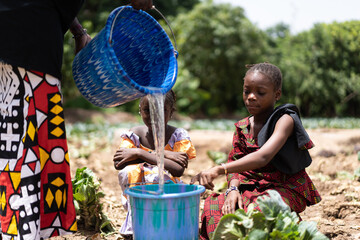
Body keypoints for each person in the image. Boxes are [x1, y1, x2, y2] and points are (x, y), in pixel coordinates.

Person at [0, 0, 152, 239]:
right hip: (27, 48)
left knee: (20, 144)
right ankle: (20, 231)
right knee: (25, 151)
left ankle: (22, 229)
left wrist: (78, 30)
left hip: (21, 40)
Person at [190, 63, 322, 240]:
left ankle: (288, 225)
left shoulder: (284, 120)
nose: (251, 97)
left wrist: (219, 169)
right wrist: (232, 191)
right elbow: (235, 160)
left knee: (262, 209)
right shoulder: (242, 127)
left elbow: (263, 157)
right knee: (215, 206)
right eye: (247, 91)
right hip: (250, 187)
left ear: (277, 95)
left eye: (260, 93)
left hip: (283, 186)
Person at [114, 90, 196, 238]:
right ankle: (136, 224)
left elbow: (177, 169)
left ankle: (162, 224)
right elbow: (119, 163)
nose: (153, 115)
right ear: (140, 111)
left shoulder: (178, 135)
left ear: (171, 112)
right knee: (128, 172)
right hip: (139, 197)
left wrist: (140, 153)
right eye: (147, 110)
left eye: (161, 110)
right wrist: (166, 155)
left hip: (166, 195)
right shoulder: (135, 134)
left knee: (158, 174)